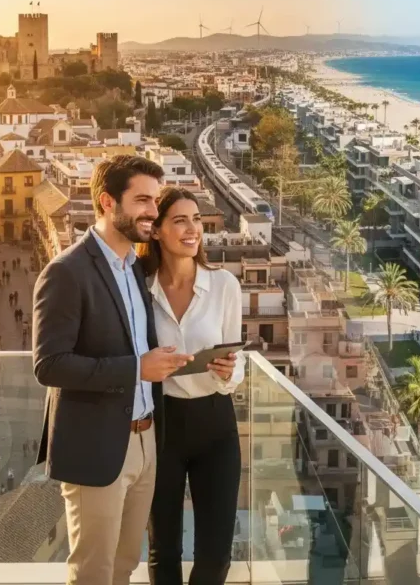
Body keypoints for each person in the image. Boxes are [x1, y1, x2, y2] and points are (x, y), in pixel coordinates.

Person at [33, 155, 193, 585]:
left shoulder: (134, 270)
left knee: (124, 566)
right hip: (96, 445)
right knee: (93, 572)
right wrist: (136, 368)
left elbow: (138, 345)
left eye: (155, 201)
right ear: (107, 201)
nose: (152, 212)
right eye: (142, 200)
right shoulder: (66, 272)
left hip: (145, 441)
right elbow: (49, 365)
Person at [138, 186, 244, 585]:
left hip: (216, 425)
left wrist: (226, 371)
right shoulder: (139, 291)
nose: (192, 228)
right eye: (179, 220)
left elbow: (237, 363)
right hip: (159, 426)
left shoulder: (225, 287)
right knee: (162, 550)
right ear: (157, 231)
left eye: (196, 219)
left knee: (216, 554)